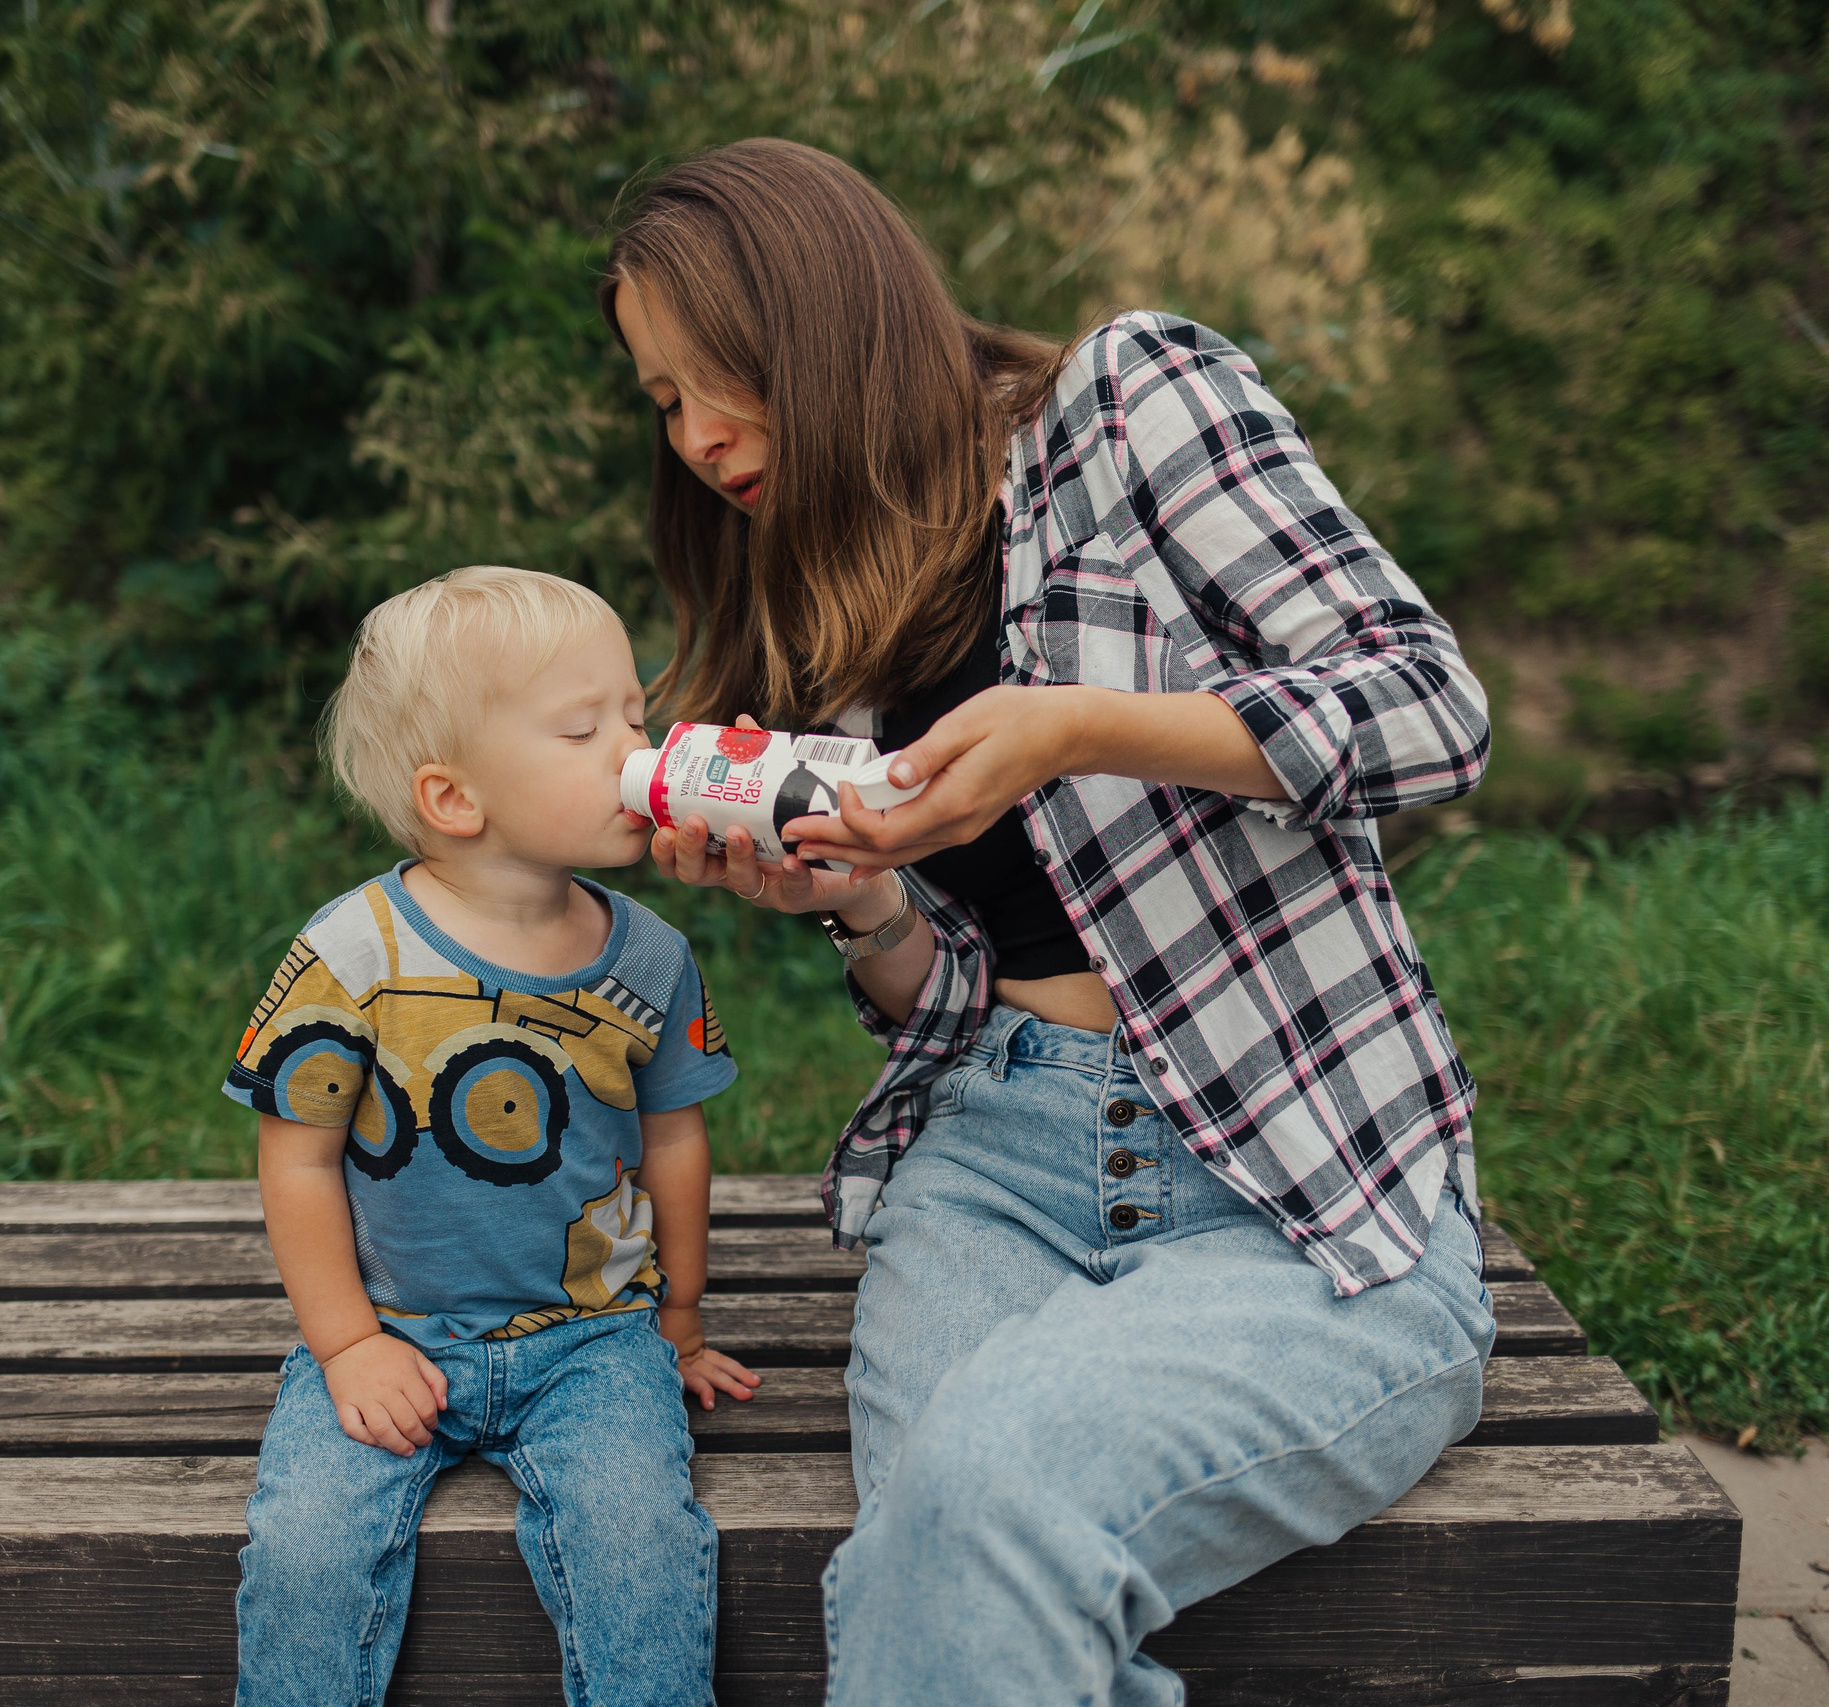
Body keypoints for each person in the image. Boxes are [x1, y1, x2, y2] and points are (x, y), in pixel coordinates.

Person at [604, 138, 1500, 1706]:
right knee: (945, 1573)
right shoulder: (840, 592)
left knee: (977, 1500)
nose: (699, 437)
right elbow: (960, 989)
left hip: (1286, 1178)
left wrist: (1079, 725)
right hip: (994, 1165)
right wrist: (862, 903)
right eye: (662, 401)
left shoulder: (1128, 399)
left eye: (717, 378)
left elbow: (1428, 709)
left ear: (824, 316)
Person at [225, 566, 758, 1707]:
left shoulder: (649, 956)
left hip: (595, 1340)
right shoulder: (352, 958)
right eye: (584, 729)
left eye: (632, 713)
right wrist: (347, 1345)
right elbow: (297, 1153)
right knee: (308, 1553)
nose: (634, 747)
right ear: (454, 798)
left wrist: (676, 1320)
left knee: (645, 1550)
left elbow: (674, 1142)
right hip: (391, 1329)